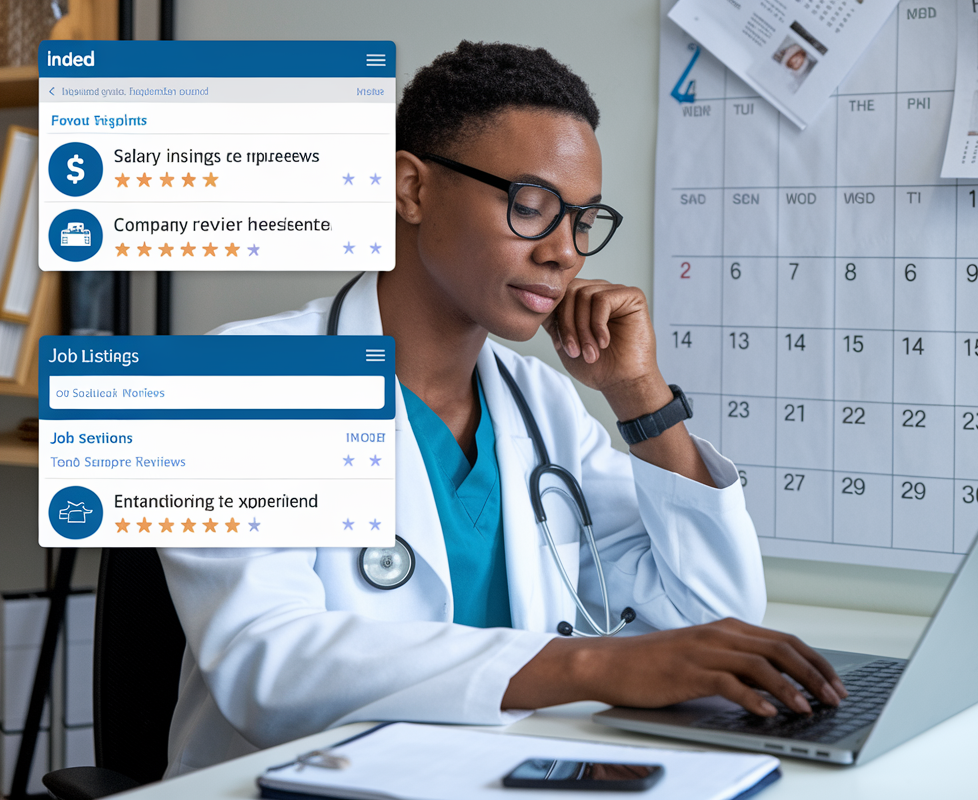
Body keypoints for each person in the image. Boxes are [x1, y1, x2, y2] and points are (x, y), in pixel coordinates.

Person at [157, 41, 846, 776]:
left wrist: (639, 397)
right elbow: (269, 667)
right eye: (532, 205)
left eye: (582, 219)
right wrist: (585, 667)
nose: (564, 253)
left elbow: (707, 618)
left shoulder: (540, 402)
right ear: (410, 189)